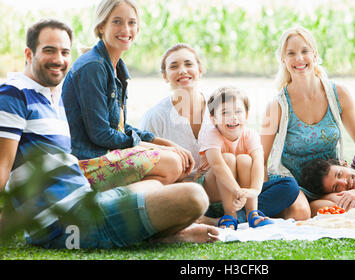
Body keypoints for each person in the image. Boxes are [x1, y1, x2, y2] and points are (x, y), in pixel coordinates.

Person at [0, 18, 219, 248]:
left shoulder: (50, 97)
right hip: (65, 223)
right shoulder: (13, 95)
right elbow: (3, 168)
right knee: (194, 198)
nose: (59, 59)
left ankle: (164, 234)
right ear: (29, 53)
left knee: (171, 190)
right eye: (49, 50)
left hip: (88, 201)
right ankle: (166, 234)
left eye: (65, 52)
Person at [260, 25, 355, 220]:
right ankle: (290, 208)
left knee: (350, 208)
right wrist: (263, 196)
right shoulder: (276, 105)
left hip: (330, 182)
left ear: (315, 55)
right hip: (292, 184)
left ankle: (310, 206)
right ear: (283, 60)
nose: (299, 59)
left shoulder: (338, 94)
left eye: (305, 51)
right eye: (291, 53)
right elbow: (260, 158)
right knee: (301, 212)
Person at [139, 44, 299, 225]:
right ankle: (223, 216)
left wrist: (249, 189)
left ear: (200, 70)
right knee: (224, 164)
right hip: (190, 191)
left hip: (237, 185)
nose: (182, 70)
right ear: (165, 76)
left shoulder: (220, 104)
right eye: (174, 66)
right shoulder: (155, 117)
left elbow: (251, 157)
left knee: (289, 187)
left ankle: (230, 218)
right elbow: (149, 170)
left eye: (188, 64)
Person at [62, 0, 194, 191]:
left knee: (175, 160)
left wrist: (162, 142)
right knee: (172, 164)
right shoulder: (93, 66)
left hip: (105, 156)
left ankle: (145, 208)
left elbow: (118, 127)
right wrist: (153, 147)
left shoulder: (117, 68)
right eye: (117, 22)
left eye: (131, 23)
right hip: (86, 163)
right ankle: (122, 209)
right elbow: (101, 134)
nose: (125, 30)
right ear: (101, 26)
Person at [198, 86, 273, 229]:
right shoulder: (212, 135)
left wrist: (254, 191)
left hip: (241, 194)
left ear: (246, 115)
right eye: (225, 112)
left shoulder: (250, 135)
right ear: (213, 119)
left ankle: (253, 214)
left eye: (238, 111)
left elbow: (259, 162)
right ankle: (230, 216)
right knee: (227, 158)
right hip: (215, 193)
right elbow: (218, 166)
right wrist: (237, 191)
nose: (233, 117)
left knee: (246, 159)